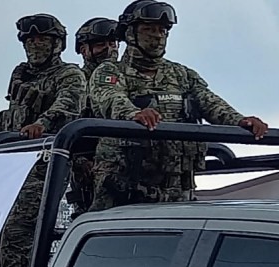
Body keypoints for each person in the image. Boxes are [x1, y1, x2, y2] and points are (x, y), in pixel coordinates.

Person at [88, 0, 268, 211]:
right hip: (125, 188)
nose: (157, 35)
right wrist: (133, 114)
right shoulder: (109, 71)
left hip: (177, 188)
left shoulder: (182, 74)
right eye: (148, 29)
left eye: (162, 30)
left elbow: (209, 101)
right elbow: (109, 97)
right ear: (129, 33)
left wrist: (240, 120)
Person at [0, 13, 86, 267]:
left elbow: (68, 107)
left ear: (57, 43)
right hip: (11, 165)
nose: (35, 45)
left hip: (45, 165)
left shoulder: (69, 74)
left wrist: (41, 125)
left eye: (41, 39)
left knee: (19, 233)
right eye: (30, 40)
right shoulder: (19, 76)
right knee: (0, 235)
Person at [66, 17, 119, 218]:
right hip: (89, 169)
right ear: (83, 50)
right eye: (100, 44)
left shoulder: (126, 76)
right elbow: (64, 126)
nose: (109, 49)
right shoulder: (74, 82)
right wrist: (79, 160)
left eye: (113, 43)